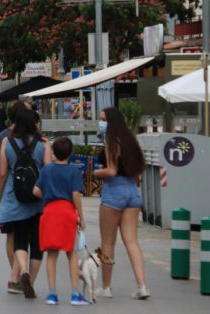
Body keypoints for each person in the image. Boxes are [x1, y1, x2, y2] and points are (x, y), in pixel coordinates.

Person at [93, 107, 150, 300]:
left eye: (103, 120)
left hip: (114, 192)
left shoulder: (111, 141)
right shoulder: (130, 141)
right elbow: (136, 175)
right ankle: (142, 286)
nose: (100, 123)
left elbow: (111, 171)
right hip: (132, 193)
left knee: (108, 243)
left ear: (111, 122)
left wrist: (95, 173)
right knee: (132, 241)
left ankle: (106, 287)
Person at [0, 109, 52, 298]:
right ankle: (30, 281)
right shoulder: (44, 143)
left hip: (15, 198)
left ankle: (19, 275)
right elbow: (49, 171)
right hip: (38, 200)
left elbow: (2, 173)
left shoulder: (7, 142)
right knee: (36, 243)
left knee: (19, 239)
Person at [33, 137, 91, 306]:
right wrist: (81, 216)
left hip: (49, 212)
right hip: (66, 212)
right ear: (70, 153)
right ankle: (75, 294)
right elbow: (75, 195)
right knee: (71, 253)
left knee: (51, 255)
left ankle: (52, 294)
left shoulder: (47, 169)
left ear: (54, 152)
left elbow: (36, 190)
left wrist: (48, 197)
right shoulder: (73, 171)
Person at [0, 101, 32, 294]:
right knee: (28, 237)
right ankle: (19, 274)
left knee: (12, 236)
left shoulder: (2, 138)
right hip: (34, 196)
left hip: (10, 194)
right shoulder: (40, 141)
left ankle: (15, 274)